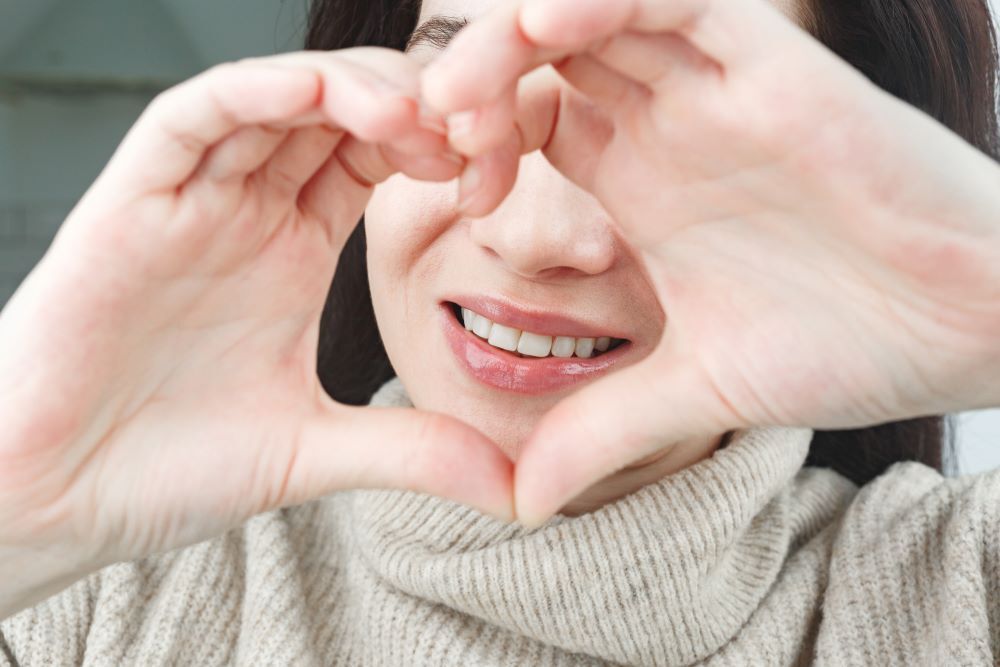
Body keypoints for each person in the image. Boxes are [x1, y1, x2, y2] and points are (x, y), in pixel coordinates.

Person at [1, 0, 998, 662]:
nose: (534, 236)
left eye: (667, 121)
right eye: (461, 88)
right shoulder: (89, 591)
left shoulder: (961, 594)